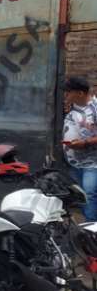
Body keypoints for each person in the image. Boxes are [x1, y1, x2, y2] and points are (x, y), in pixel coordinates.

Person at [63, 77, 97, 222]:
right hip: (73, 163)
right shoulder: (72, 106)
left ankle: (91, 230)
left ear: (80, 93)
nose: (66, 95)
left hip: (92, 164)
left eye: (69, 92)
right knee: (80, 196)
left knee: (89, 194)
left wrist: (85, 143)